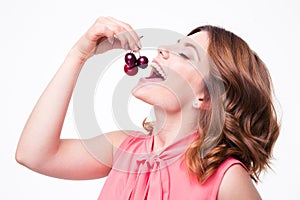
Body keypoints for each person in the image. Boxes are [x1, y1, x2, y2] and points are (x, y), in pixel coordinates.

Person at [15, 16, 280, 200]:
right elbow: (33, 154)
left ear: (206, 97)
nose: (163, 50)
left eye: (185, 54)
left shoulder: (227, 178)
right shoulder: (122, 148)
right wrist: (79, 54)